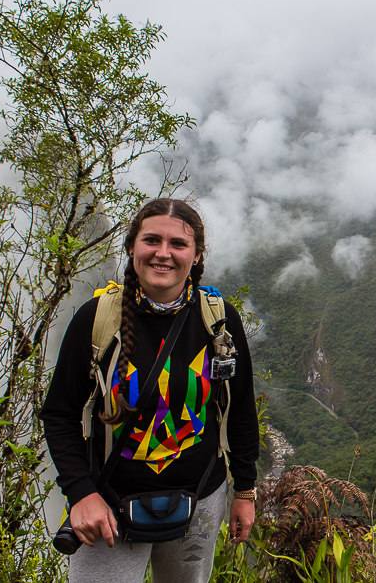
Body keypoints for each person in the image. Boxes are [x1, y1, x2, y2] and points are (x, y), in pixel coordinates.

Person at [41, 198, 259, 582]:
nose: (163, 253)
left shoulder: (219, 320)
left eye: (178, 244)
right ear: (131, 247)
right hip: (109, 507)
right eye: (151, 240)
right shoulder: (97, 319)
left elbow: (239, 409)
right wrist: (81, 493)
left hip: (200, 501)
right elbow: (59, 413)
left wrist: (244, 491)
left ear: (196, 256)